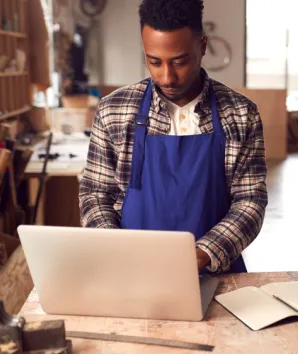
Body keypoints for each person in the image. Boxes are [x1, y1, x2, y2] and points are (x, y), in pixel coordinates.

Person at [78, 0, 267, 275]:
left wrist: (204, 253)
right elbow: (95, 195)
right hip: (133, 273)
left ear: (202, 47)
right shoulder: (114, 110)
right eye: (154, 62)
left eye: (179, 61)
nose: (167, 77)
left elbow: (250, 201)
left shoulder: (240, 114)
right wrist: (114, 247)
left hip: (216, 274)